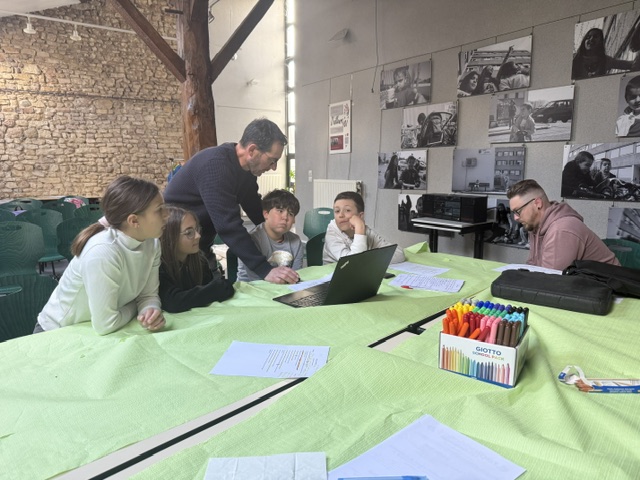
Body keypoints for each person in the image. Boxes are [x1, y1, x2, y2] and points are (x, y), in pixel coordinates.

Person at [163, 118, 299, 285]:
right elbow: (228, 226)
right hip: (175, 248)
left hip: (199, 243)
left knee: (215, 289)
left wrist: (277, 232)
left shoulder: (246, 170)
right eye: (272, 160)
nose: (274, 167)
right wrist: (265, 269)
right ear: (252, 150)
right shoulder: (216, 166)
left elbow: (254, 207)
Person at [36, 176, 168, 335]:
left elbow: (148, 295)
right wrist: (135, 305)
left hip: (94, 329)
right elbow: (106, 324)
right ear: (134, 221)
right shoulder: (103, 251)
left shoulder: (152, 243)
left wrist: (149, 311)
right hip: (58, 332)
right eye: (159, 210)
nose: (167, 214)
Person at [507, 179, 620, 270]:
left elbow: (550, 281)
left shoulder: (561, 229)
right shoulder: (535, 225)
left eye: (518, 211)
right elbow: (533, 266)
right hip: (582, 284)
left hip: (608, 287)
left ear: (537, 203)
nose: (516, 218)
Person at [159, 206, 235, 313]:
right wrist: (214, 290)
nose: (198, 236)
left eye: (197, 229)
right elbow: (173, 302)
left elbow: (214, 289)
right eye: (189, 232)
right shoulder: (158, 266)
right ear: (170, 237)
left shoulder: (199, 261)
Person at [237, 189, 304, 282]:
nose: (285, 217)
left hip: (284, 288)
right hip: (251, 287)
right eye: (280, 211)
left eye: (290, 214)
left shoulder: (296, 241)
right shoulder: (251, 240)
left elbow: (295, 276)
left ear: (294, 220)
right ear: (266, 214)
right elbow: (255, 280)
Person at [323, 191, 405, 265]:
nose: (340, 215)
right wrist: (359, 228)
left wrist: (366, 259)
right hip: (331, 274)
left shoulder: (366, 231)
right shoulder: (332, 234)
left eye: (347, 210)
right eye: (337, 211)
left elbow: (399, 254)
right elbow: (353, 263)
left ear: (360, 216)